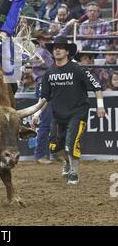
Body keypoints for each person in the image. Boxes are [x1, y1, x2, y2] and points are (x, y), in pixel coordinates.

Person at [32, 36, 105, 185]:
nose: (57, 49)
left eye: (60, 47)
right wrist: (37, 114)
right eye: (54, 47)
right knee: (54, 147)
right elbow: (44, 97)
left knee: (71, 143)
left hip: (78, 113)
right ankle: (67, 162)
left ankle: (74, 172)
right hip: (58, 116)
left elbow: (96, 87)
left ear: (67, 52)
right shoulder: (49, 73)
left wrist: (100, 105)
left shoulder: (78, 69)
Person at [31, 29, 54, 164]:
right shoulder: (40, 53)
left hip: (47, 87)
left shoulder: (44, 52)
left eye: (48, 39)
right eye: (45, 39)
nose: (48, 41)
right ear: (39, 40)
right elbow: (52, 67)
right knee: (46, 122)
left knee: (49, 121)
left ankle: (44, 153)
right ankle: (39, 154)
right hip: (44, 87)